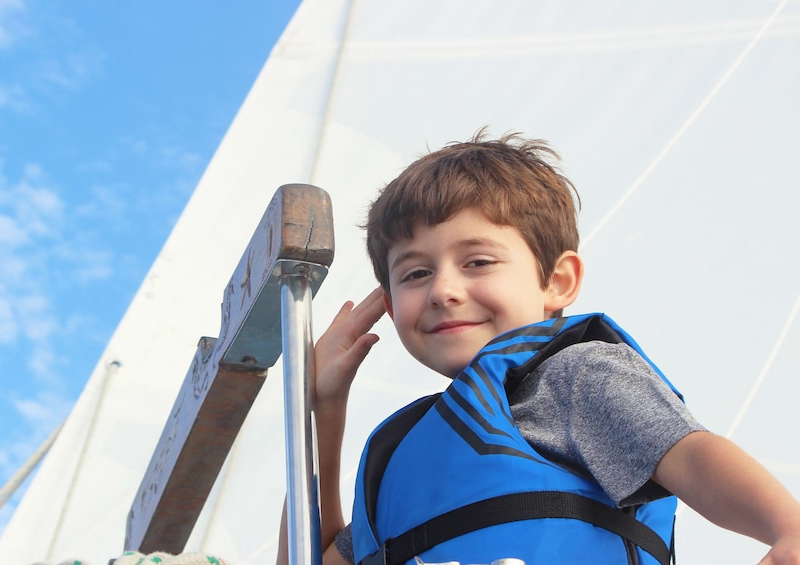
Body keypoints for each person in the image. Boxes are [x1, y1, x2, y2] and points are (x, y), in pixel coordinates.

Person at [276, 129, 800, 564]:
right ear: (389, 305)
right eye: (415, 273)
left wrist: (787, 526)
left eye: (477, 261)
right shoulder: (397, 459)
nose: (443, 290)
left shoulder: (577, 379)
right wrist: (323, 407)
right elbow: (310, 559)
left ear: (558, 281)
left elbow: (688, 456)